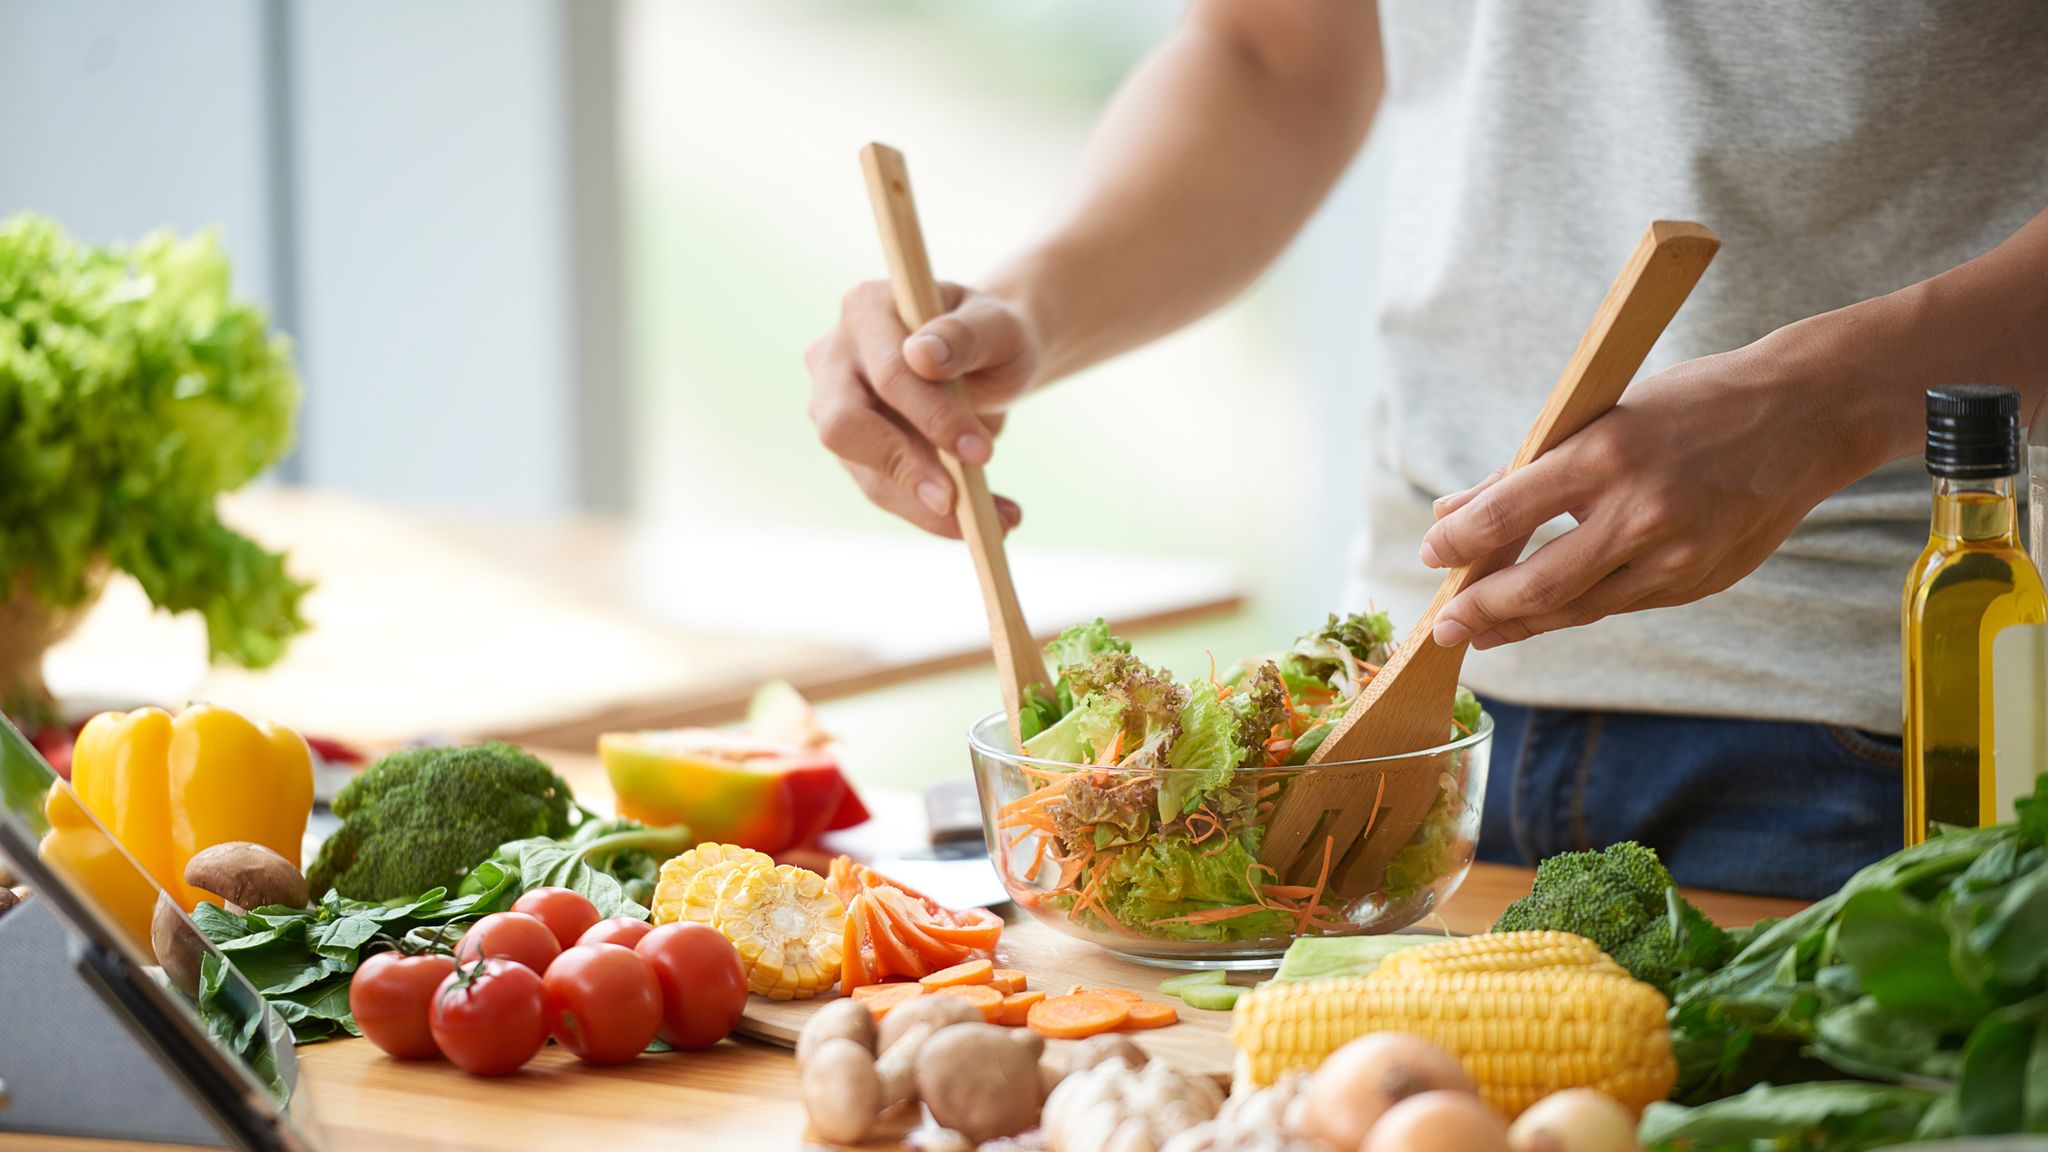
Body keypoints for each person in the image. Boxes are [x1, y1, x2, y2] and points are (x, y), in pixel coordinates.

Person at [802, 2, 2048, 899]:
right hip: (1405, 722)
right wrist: (1027, 309)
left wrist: (1836, 399)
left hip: (1890, 715)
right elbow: (1273, 52)